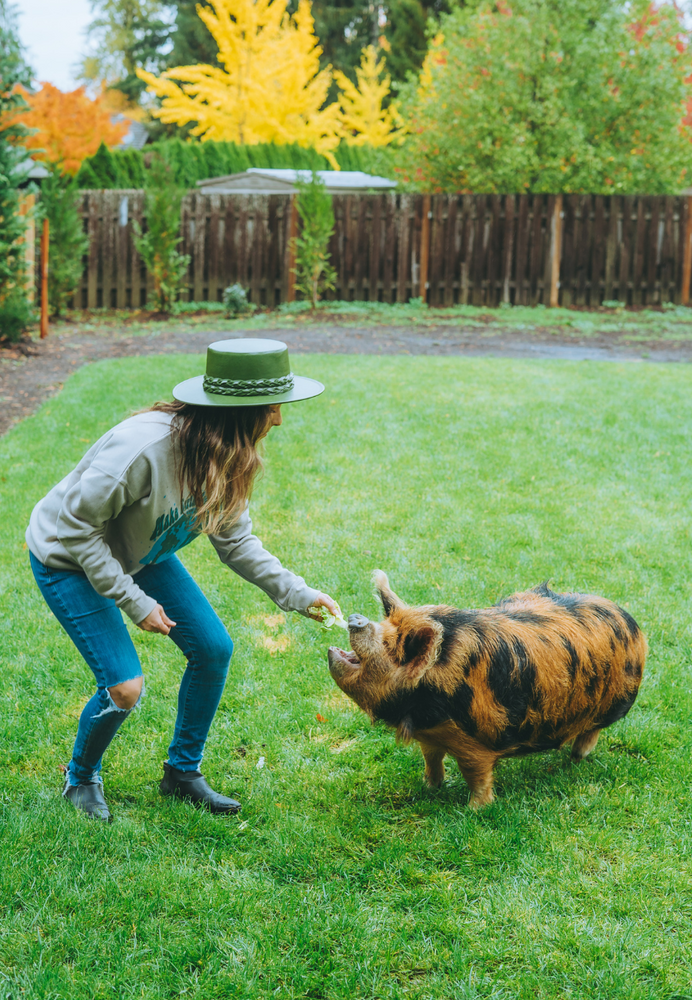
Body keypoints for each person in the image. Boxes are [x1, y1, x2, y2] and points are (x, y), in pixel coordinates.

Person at [26, 338, 337, 822]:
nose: (277, 418)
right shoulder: (142, 449)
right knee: (124, 687)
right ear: (243, 409)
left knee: (213, 648)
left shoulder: (229, 454)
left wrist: (300, 595)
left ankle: (181, 774)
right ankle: (81, 776)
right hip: (67, 557)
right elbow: (75, 529)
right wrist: (134, 602)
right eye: (273, 406)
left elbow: (236, 542)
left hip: (141, 551)